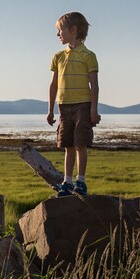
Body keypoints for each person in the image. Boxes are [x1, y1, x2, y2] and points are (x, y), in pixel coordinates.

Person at [46, 12, 100, 197]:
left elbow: (94, 85)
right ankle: (67, 182)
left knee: (80, 144)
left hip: (82, 105)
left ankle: (81, 181)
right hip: (63, 107)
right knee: (67, 145)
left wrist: (93, 110)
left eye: (60, 30)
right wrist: (50, 110)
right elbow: (53, 85)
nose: (57, 34)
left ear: (74, 30)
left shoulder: (89, 56)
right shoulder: (58, 56)